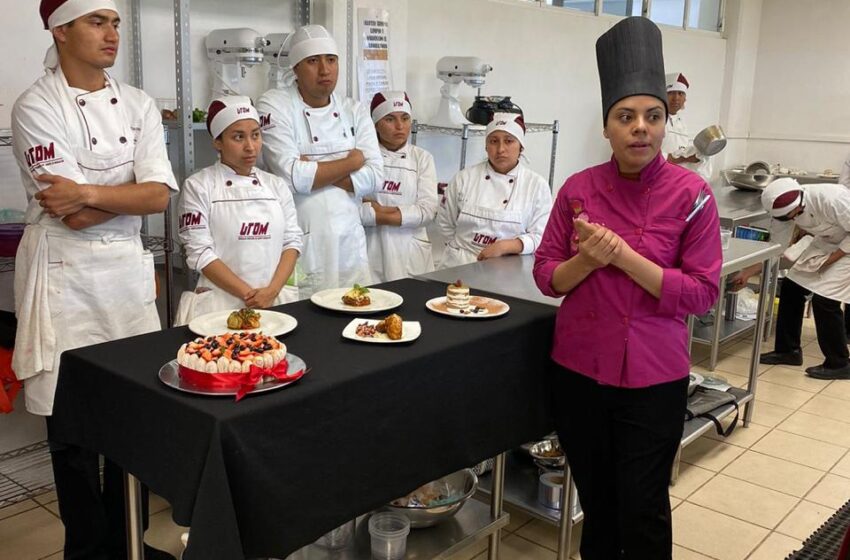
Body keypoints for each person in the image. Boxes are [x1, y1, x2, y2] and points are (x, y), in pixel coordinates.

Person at [533, 17, 721, 559]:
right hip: (579, 371)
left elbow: (703, 292)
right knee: (597, 502)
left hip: (654, 377)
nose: (640, 128)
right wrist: (587, 260)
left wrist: (624, 257)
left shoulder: (692, 194)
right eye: (626, 117)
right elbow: (547, 276)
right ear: (607, 128)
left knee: (642, 508)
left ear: (664, 124)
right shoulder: (578, 189)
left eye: (652, 116)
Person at [11, 1, 178, 558]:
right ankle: (88, 552)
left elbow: (159, 197)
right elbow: (73, 219)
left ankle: (130, 544)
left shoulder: (137, 103)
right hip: (66, 278)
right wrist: (126, 194)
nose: (112, 34)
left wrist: (85, 190)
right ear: (61, 31)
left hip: (125, 275)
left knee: (132, 418)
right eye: (96, 22)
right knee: (74, 430)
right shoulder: (37, 105)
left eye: (115, 23)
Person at [257, 24, 382, 297]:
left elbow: (375, 178)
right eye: (313, 61)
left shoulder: (354, 110)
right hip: (300, 241)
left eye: (331, 60)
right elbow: (292, 176)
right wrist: (352, 162)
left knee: (357, 312)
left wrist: (312, 169)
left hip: (350, 241)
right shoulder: (274, 104)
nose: (325, 70)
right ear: (296, 68)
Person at [174, 96, 303, 324]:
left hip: (274, 301)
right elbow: (200, 253)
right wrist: (251, 296)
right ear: (217, 142)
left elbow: (292, 241)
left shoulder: (276, 185)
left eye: (255, 135)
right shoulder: (199, 186)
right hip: (220, 306)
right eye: (238, 137)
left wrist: (272, 291)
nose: (250, 147)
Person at [758, 178, 850, 379]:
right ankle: (788, 351)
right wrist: (748, 272)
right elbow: (778, 245)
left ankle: (839, 363)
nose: (794, 217)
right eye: (789, 217)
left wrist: (831, 260)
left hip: (847, 249)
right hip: (826, 243)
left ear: (801, 200)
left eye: (796, 213)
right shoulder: (782, 213)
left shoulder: (833, 199)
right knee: (791, 287)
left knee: (825, 300)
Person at [436, 113, 552, 269]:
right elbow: (444, 223)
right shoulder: (463, 178)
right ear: (486, 146)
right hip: (459, 265)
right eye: (493, 141)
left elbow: (541, 236)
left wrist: (506, 246)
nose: (501, 149)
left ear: (521, 146)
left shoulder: (537, 186)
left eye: (509, 141)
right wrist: (459, 252)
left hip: (506, 269)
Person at [360, 91, 438, 282]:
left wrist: (376, 212)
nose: (399, 126)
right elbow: (352, 209)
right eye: (390, 119)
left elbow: (427, 211)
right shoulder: (362, 157)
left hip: (410, 251)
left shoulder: (423, 158)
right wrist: (405, 213)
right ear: (375, 124)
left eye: (405, 118)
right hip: (372, 247)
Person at [661, 72, 712, 180]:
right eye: (671, 93)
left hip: (677, 178)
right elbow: (650, 156)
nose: (676, 98)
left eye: (680, 93)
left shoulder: (681, 122)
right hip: (659, 178)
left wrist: (696, 155)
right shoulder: (654, 119)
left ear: (685, 99)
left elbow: (682, 148)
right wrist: (683, 158)